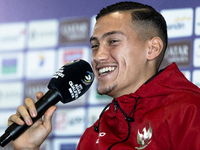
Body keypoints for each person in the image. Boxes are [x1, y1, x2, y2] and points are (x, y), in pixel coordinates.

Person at [7, 1, 200, 150]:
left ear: (152, 48)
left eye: (113, 41)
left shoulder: (189, 111)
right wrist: (28, 148)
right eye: (95, 46)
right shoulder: (93, 134)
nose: (98, 56)